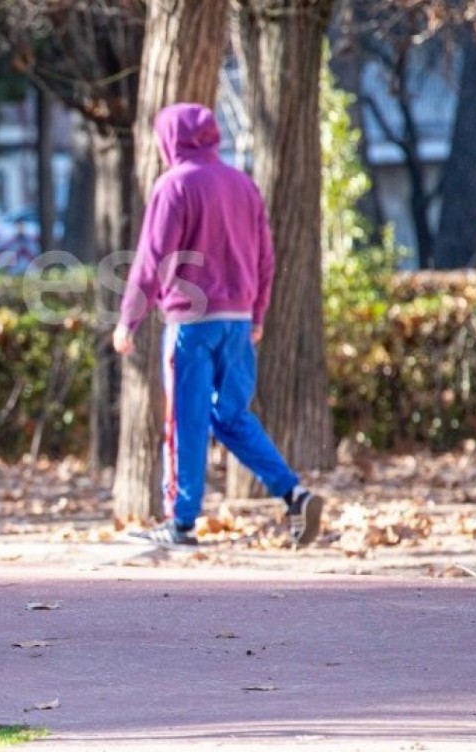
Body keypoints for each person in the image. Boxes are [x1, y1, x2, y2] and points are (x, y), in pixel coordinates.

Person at [112, 103, 323, 548]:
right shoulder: (243, 185)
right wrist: (259, 313)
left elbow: (154, 257)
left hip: (192, 324)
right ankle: (293, 493)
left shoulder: (175, 185)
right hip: (240, 323)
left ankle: (181, 521)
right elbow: (266, 256)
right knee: (229, 417)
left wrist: (129, 319)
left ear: (171, 138)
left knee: (184, 420)